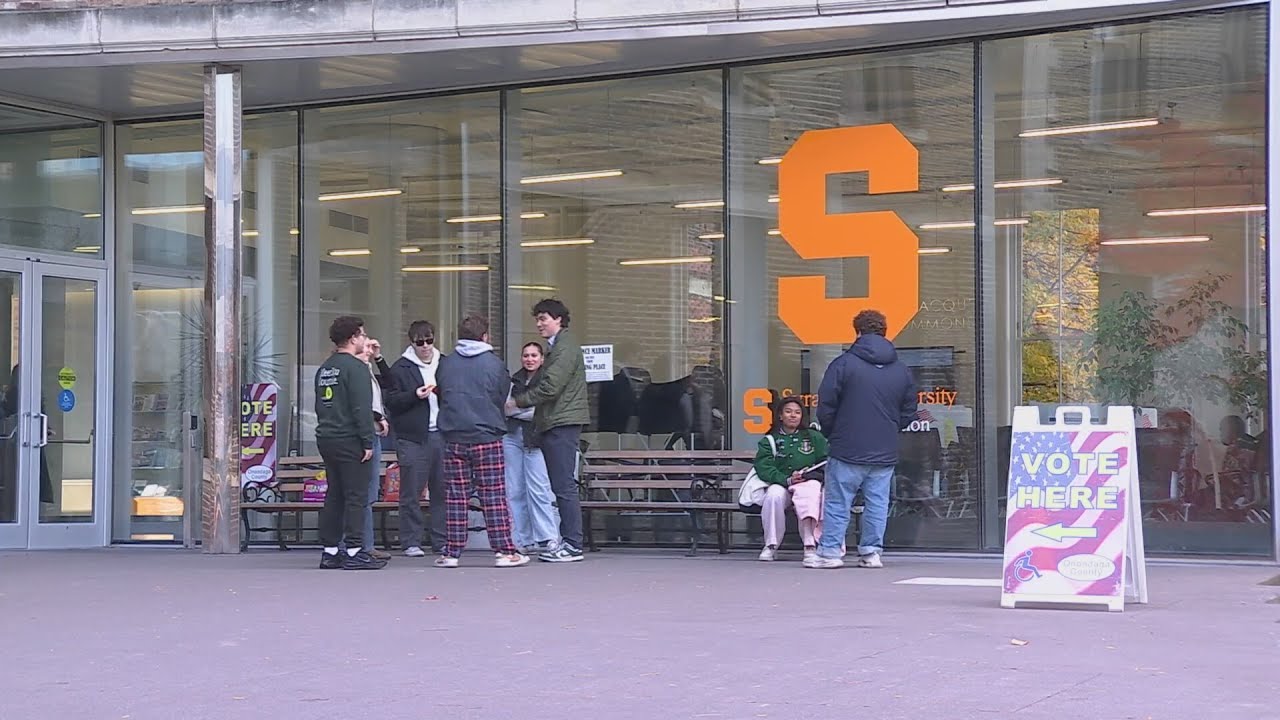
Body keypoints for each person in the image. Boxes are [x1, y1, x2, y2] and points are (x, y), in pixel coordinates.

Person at [808, 309, 917, 570]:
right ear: (885, 331)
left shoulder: (843, 364)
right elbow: (909, 410)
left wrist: (832, 432)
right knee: (877, 503)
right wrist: (891, 428)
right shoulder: (901, 370)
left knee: (838, 501)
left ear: (857, 331)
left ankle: (831, 552)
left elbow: (826, 405)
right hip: (884, 448)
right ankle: (871, 553)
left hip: (847, 446)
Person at [433, 314, 529, 568]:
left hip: (453, 435)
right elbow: (501, 397)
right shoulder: (495, 365)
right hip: (487, 435)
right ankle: (505, 551)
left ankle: (451, 552)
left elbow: (441, 394)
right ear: (485, 336)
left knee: (456, 496)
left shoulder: (446, 364)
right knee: (493, 495)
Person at [512, 299, 590, 563]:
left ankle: (572, 544)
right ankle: (569, 542)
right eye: (538, 319)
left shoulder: (565, 348)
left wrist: (516, 401)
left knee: (563, 486)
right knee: (560, 485)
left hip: (561, 422)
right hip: (557, 421)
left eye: (543, 318)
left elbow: (550, 387)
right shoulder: (558, 347)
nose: (539, 324)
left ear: (558, 319)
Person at [314, 315, 385, 570]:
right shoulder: (355, 368)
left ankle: (330, 550)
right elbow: (360, 408)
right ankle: (355, 551)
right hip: (350, 438)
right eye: (362, 335)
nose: (364, 339)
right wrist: (367, 441)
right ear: (353, 337)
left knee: (334, 495)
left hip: (327, 437)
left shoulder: (326, 368)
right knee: (356, 496)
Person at [380, 320, 448, 557]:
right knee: (411, 491)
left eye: (430, 341)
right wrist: (414, 395)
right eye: (420, 343)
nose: (426, 346)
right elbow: (391, 401)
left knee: (443, 490)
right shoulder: (401, 368)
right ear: (412, 343)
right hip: (412, 437)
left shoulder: (445, 363)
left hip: (441, 434)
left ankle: (442, 541)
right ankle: (411, 541)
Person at [752, 396, 828, 563]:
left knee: (810, 494)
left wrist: (809, 475)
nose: (793, 415)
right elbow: (764, 467)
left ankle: (810, 545)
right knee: (773, 496)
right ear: (780, 415)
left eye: (797, 412)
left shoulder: (813, 437)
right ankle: (771, 545)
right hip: (782, 483)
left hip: (807, 482)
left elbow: (825, 461)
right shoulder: (769, 440)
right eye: (788, 412)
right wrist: (786, 479)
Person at [504, 342, 560, 553]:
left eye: (534, 355)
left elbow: (541, 411)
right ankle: (521, 539)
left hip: (535, 438)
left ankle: (547, 537)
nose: (530, 359)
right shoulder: (514, 380)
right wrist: (522, 408)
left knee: (539, 489)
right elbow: (506, 410)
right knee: (515, 489)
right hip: (511, 437)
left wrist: (518, 406)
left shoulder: (546, 380)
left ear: (542, 358)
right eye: (526, 355)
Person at [353, 336, 392, 561]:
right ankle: (359, 545)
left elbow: (391, 382)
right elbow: (358, 405)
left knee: (369, 492)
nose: (369, 349)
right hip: (365, 434)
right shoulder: (354, 372)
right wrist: (377, 418)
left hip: (374, 434)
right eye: (366, 345)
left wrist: (378, 358)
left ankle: (366, 544)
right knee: (361, 492)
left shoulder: (367, 371)